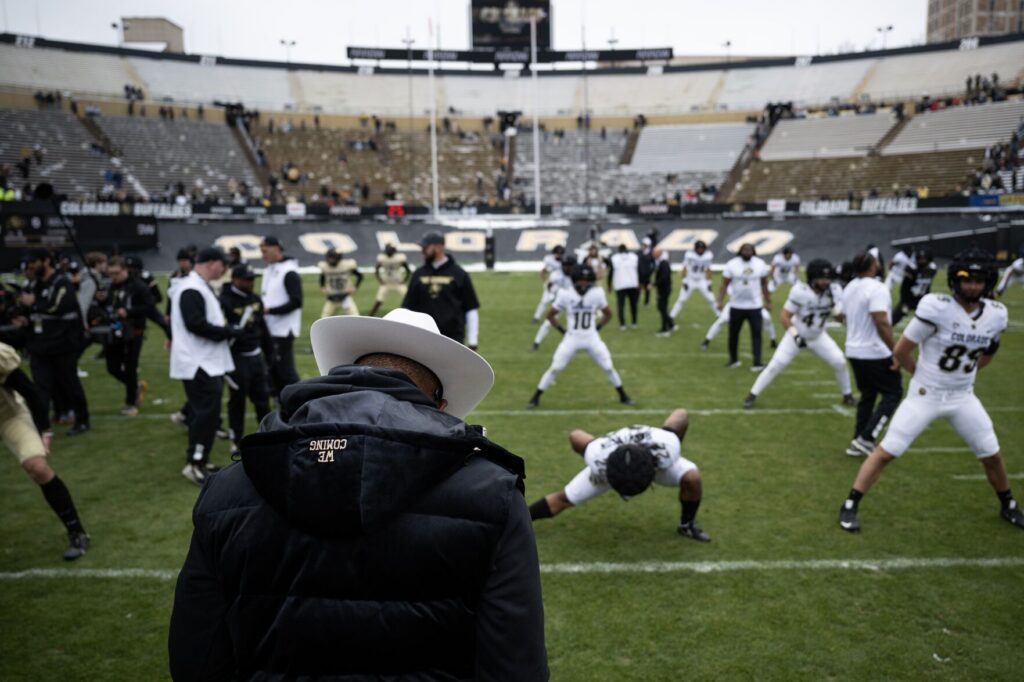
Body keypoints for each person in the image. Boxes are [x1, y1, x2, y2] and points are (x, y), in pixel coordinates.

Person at [168, 308, 548, 680]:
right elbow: (515, 665)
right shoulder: (491, 491)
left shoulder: (231, 485)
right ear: (440, 406)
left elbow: (197, 656)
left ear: (346, 378)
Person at [839, 248, 1024, 533]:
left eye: (978, 280)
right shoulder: (936, 308)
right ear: (955, 280)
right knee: (887, 451)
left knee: (992, 454)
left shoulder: (996, 314)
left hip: (963, 396)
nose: (972, 286)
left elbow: (988, 353)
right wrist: (921, 374)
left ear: (988, 281)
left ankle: (1008, 504)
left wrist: (967, 374)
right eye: (967, 280)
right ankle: (851, 503)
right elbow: (901, 350)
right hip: (926, 395)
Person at [528, 408, 710, 542]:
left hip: (655, 465)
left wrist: (672, 454)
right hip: (610, 469)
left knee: (692, 478)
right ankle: (517, 521)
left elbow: (681, 414)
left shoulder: (666, 448)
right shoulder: (599, 457)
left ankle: (686, 525)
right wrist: (587, 449)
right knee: (564, 498)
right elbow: (576, 436)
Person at [1, 341, 90, 560]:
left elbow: (30, 391)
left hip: (8, 416)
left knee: (38, 467)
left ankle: (76, 531)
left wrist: (45, 430)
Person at [743, 259, 854, 408]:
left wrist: (837, 311)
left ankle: (847, 395)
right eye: (822, 278)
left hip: (818, 336)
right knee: (775, 365)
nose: (825, 282)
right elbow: (784, 316)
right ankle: (752, 394)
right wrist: (795, 335)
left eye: (828, 278)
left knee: (839, 361)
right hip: (797, 335)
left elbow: (840, 317)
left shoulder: (834, 291)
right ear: (812, 278)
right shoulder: (800, 291)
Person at [169, 247, 237, 485]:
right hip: (198, 363)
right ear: (211, 263)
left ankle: (201, 458)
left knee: (208, 414)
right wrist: (228, 332)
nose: (225, 269)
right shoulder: (190, 288)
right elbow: (195, 324)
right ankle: (194, 462)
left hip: (206, 362)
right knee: (204, 414)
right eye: (223, 264)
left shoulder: (198, 286)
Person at [527, 265, 633, 408]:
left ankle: (623, 395)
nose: (584, 283)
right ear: (575, 279)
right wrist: (562, 330)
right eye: (581, 280)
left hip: (591, 337)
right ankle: (536, 397)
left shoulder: (597, 293)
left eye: (587, 280)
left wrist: (598, 327)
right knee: (555, 368)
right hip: (572, 338)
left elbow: (608, 313)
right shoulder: (565, 294)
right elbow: (550, 315)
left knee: (608, 367)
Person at [19, 249, 91, 436]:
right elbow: (32, 310)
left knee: (69, 383)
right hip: (40, 344)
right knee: (41, 386)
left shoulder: (61, 282)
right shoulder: (35, 283)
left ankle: (82, 420)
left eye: (33, 262)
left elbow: (58, 306)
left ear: (46, 261)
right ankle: (42, 424)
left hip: (63, 343)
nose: (30, 268)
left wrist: (34, 304)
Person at [842, 251, 901, 458]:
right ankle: (867, 438)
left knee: (868, 394)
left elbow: (841, 314)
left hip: (853, 349)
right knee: (893, 393)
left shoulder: (850, 287)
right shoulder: (877, 288)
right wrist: (896, 351)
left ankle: (858, 438)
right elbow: (881, 320)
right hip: (874, 351)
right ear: (873, 266)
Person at [219, 264, 273, 455]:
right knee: (237, 401)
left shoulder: (255, 298)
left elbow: (263, 328)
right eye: (247, 279)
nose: (251, 282)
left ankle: (266, 437)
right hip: (236, 358)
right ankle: (236, 439)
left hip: (256, 356)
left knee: (262, 399)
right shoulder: (223, 301)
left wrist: (270, 353)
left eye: (252, 279)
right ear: (235, 279)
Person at [403, 232, 480, 349]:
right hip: (422, 337)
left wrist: (473, 341)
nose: (422, 251)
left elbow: (471, 308)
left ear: (439, 247)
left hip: (453, 339)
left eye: (426, 247)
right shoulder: (418, 274)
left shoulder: (459, 274)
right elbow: (407, 308)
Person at [104, 256, 155, 417]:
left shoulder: (139, 286)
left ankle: (130, 403)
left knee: (130, 367)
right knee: (112, 367)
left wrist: (129, 312)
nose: (114, 277)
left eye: (117, 273)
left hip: (134, 332)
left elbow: (149, 307)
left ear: (125, 270)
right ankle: (135, 387)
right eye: (110, 274)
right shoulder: (111, 287)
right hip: (115, 330)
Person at [260, 236, 303, 397]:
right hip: (271, 328)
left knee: (286, 371)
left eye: (265, 250)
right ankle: (281, 400)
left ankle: (301, 399)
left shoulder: (289, 271)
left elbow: (296, 301)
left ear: (276, 248)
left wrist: (269, 311)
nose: (262, 254)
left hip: (283, 329)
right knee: (273, 369)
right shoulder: (270, 269)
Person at [718, 243, 771, 370]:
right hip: (737, 305)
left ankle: (757, 362)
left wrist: (768, 300)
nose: (747, 252)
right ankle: (733, 360)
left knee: (757, 334)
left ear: (754, 252)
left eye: (750, 250)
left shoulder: (760, 264)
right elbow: (724, 284)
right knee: (733, 334)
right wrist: (720, 300)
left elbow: (764, 284)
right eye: (745, 250)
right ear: (740, 251)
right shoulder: (732, 264)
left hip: (755, 305)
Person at [532, 255, 576, 350]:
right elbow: (549, 285)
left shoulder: (577, 275)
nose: (566, 268)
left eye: (568, 266)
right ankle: (536, 343)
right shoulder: (557, 275)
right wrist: (553, 294)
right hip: (561, 302)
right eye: (565, 265)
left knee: (578, 324)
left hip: (574, 304)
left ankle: (576, 342)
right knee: (547, 323)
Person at [669, 240, 718, 323]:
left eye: (702, 248)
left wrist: (709, 282)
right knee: (681, 300)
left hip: (702, 280)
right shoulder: (689, 255)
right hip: (690, 279)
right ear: (695, 248)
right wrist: (685, 281)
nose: (700, 250)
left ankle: (719, 315)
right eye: (698, 248)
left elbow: (709, 269)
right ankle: (671, 316)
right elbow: (684, 268)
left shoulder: (708, 255)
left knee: (711, 299)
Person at [892, 250, 937, 325]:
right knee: (896, 316)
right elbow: (904, 287)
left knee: (931, 319)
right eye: (920, 259)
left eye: (924, 259)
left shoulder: (932, 269)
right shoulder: (912, 269)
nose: (922, 261)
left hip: (923, 299)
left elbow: (928, 286)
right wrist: (904, 302)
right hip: (909, 298)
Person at [367, 243, 411, 317]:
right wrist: (380, 281)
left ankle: (412, 314)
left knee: (408, 300)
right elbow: (376, 270)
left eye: (390, 250)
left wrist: (404, 280)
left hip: (398, 283)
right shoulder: (382, 258)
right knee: (379, 300)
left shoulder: (399, 258)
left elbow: (408, 270)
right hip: (386, 283)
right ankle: (370, 316)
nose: (389, 252)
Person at [318, 247, 362, 318]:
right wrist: (322, 287)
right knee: (324, 319)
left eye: (333, 258)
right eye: (330, 258)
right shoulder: (325, 267)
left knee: (356, 317)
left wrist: (355, 287)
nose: (331, 260)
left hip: (345, 297)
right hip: (331, 298)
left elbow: (359, 276)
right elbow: (322, 277)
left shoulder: (346, 265)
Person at [609, 244, 640, 329]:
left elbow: (611, 273)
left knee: (621, 305)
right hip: (633, 284)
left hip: (620, 285)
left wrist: (609, 284)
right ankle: (634, 322)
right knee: (633, 305)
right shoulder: (634, 257)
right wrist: (639, 282)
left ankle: (622, 324)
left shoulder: (614, 258)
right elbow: (639, 270)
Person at [532, 245, 565, 323]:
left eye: (560, 253)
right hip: (552, 285)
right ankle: (536, 317)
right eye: (557, 253)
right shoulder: (550, 261)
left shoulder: (565, 262)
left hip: (561, 286)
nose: (559, 255)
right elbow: (543, 272)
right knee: (544, 301)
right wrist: (546, 282)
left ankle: (555, 318)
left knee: (561, 302)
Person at [653, 248, 674, 336]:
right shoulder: (661, 262)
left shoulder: (664, 263)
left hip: (664, 289)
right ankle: (670, 324)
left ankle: (665, 329)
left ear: (660, 253)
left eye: (655, 252)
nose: (653, 254)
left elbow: (664, 278)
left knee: (662, 308)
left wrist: (654, 284)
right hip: (663, 289)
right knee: (662, 308)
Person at [638, 237, 656, 306]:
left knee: (647, 288)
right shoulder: (639, 252)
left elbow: (654, 264)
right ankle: (636, 300)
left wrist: (652, 271)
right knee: (638, 288)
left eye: (645, 245)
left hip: (647, 274)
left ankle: (646, 302)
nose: (644, 246)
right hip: (639, 273)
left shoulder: (651, 254)